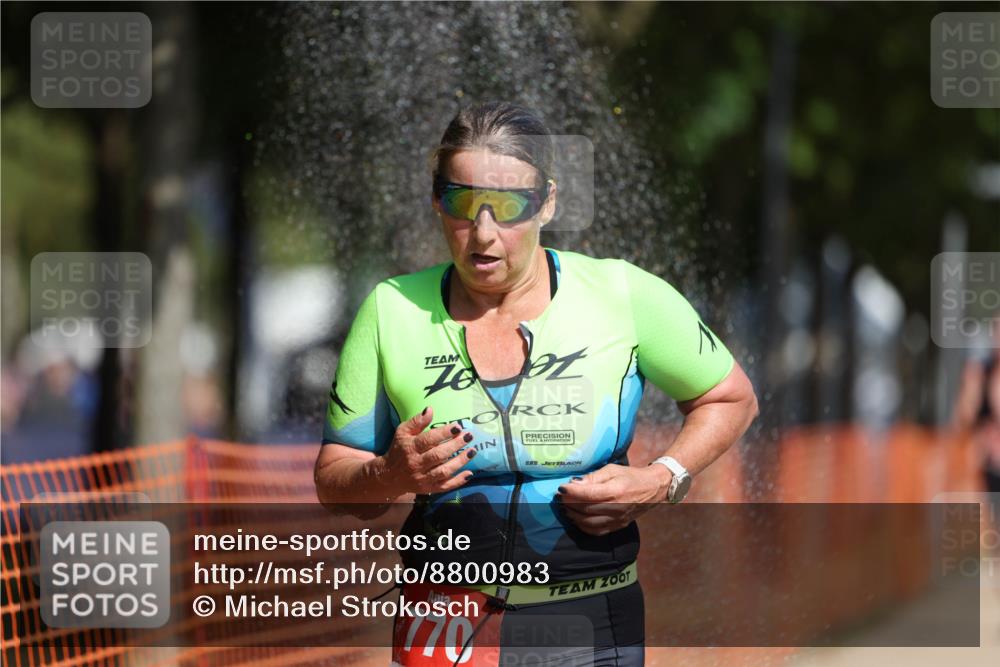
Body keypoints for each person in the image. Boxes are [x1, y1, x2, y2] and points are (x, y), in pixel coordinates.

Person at [314, 101, 758, 666]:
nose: (483, 234)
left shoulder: (623, 294)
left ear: (548, 201)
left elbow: (730, 397)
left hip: (590, 620)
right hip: (445, 622)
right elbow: (334, 480)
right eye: (462, 202)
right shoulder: (391, 309)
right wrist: (390, 473)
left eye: (509, 206)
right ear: (435, 198)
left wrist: (663, 477)